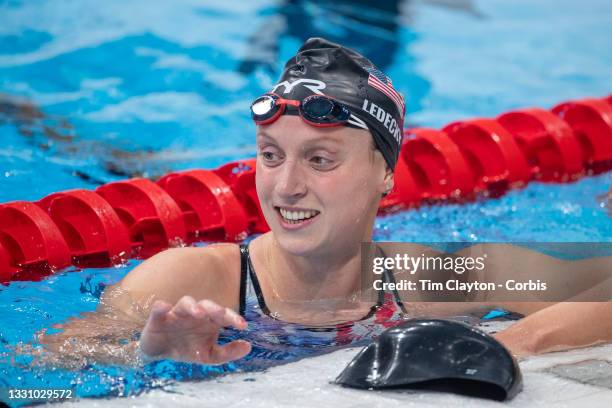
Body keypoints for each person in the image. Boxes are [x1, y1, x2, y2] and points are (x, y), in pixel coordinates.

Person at [39, 38, 612, 368]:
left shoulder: (427, 278)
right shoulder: (190, 282)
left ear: (385, 174)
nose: (285, 187)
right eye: (270, 155)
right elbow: (39, 381)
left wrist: (518, 339)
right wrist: (144, 360)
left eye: (320, 160)